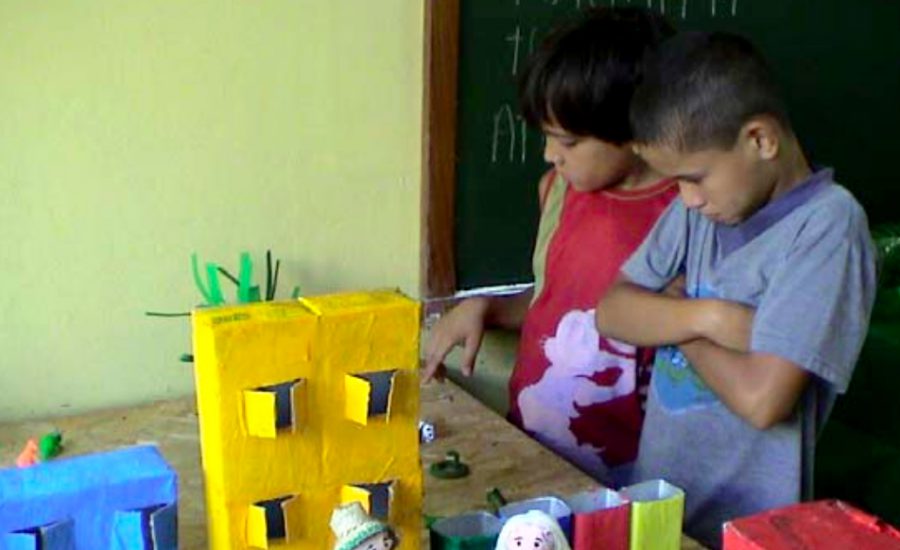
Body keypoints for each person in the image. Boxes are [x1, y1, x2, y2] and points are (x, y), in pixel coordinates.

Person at [595, 31, 878, 547]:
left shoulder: (829, 227)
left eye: (694, 177)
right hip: (659, 512)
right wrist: (709, 319)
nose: (686, 198)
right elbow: (612, 312)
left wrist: (670, 320)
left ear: (761, 140)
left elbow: (762, 398)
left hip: (746, 532)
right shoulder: (698, 211)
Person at [423, 7, 678, 487]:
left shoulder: (687, 215)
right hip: (532, 446)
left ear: (640, 130)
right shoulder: (558, 192)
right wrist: (489, 309)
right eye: (546, 136)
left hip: (625, 478)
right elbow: (561, 302)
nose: (549, 154)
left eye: (567, 141)